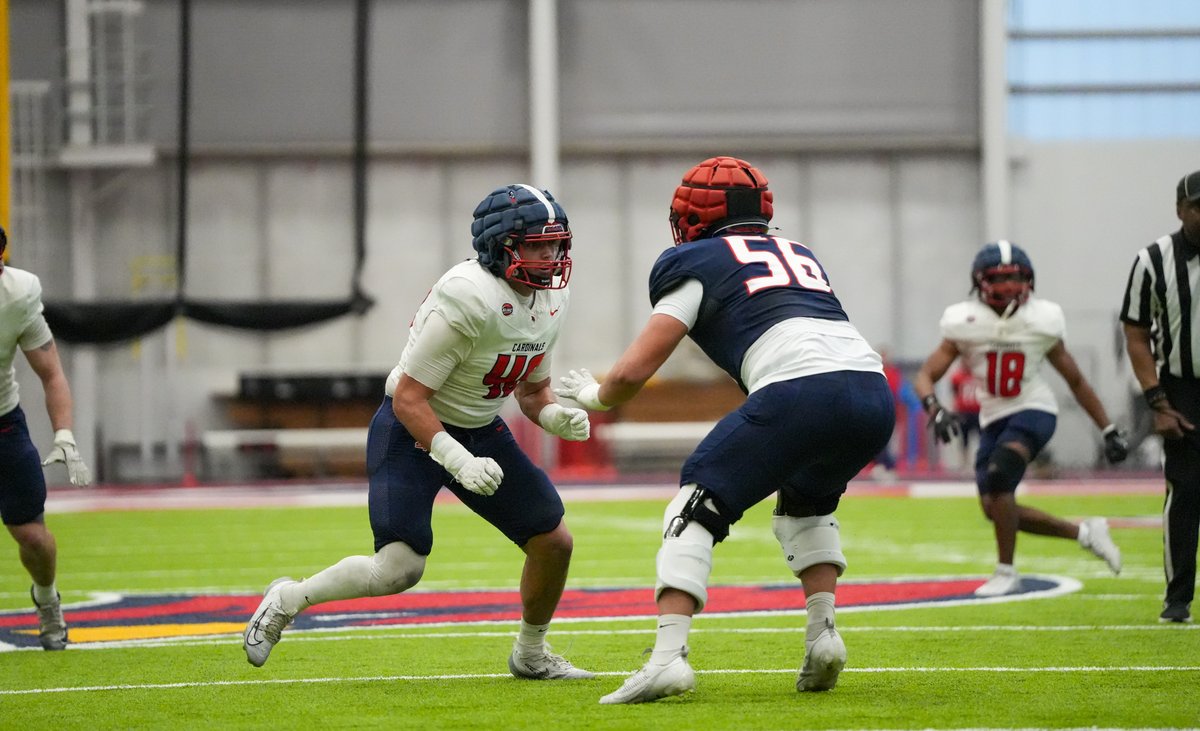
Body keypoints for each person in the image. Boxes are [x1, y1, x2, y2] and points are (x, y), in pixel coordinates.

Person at [555, 156, 894, 703]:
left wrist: (594, 396)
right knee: (807, 504)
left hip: (799, 389)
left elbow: (633, 371)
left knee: (693, 506)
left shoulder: (694, 262)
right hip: (871, 392)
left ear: (690, 217)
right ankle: (823, 635)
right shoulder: (798, 253)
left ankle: (667, 658)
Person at [243, 184, 595, 678]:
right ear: (502, 246)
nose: (552, 256)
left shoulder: (549, 300)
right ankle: (286, 599)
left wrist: (560, 418)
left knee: (554, 542)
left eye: (556, 244)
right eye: (538, 244)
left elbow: (532, 393)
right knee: (398, 570)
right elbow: (410, 398)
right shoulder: (468, 296)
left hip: (479, 428)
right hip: (412, 430)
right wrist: (457, 460)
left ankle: (531, 653)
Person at [914, 240, 1129, 598]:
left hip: (1035, 409)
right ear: (980, 282)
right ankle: (1086, 533)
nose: (1008, 286)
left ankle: (1006, 571)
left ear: (1029, 281)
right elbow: (926, 374)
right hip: (993, 417)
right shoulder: (963, 321)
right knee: (994, 508)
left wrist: (1107, 427)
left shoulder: (1042, 318)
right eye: (999, 279)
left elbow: (1074, 379)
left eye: (1016, 278)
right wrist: (934, 407)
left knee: (999, 478)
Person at [0, 226, 93, 651]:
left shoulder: (16, 294)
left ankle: (47, 598)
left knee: (34, 537)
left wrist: (65, 433)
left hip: (2, 424)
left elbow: (52, 373)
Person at [1119, 168, 1200, 624]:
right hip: (1182, 388)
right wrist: (1157, 400)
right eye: (1199, 207)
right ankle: (1178, 598)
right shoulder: (1154, 260)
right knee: (1186, 489)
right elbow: (1135, 332)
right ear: (1180, 209)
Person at [950, 359, 982, 469]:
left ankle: (981, 461)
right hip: (964, 412)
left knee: (981, 437)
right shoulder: (957, 377)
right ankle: (964, 462)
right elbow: (954, 393)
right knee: (964, 438)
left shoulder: (979, 376)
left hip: (978, 411)